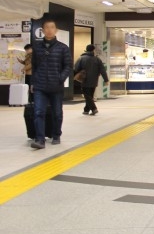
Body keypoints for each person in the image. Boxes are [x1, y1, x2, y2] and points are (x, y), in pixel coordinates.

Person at [30, 18, 72, 149]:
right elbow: (34, 66)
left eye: (52, 27)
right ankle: (40, 139)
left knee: (57, 113)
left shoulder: (63, 48)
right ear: (42, 30)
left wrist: (61, 78)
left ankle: (56, 135)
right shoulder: (37, 48)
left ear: (56, 30)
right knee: (38, 112)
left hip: (56, 86)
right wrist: (33, 82)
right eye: (46, 28)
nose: (49, 30)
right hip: (40, 86)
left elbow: (68, 66)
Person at [74, 44, 109, 116]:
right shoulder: (97, 59)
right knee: (90, 96)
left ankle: (94, 109)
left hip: (85, 80)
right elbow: (103, 70)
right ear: (93, 50)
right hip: (94, 81)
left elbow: (76, 68)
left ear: (86, 50)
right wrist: (106, 80)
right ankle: (86, 110)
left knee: (87, 96)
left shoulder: (81, 58)